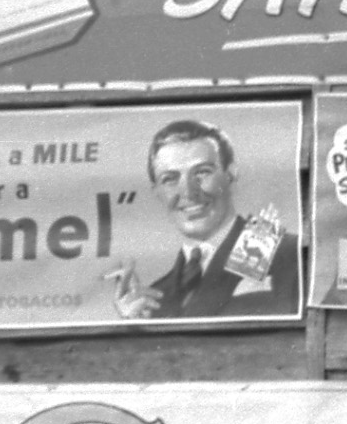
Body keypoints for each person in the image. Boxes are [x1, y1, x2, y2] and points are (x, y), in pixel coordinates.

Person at [122, 117, 294, 318]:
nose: (188, 192)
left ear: (231, 173)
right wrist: (133, 329)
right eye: (170, 179)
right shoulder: (155, 297)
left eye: (202, 172)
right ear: (157, 191)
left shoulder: (282, 251)